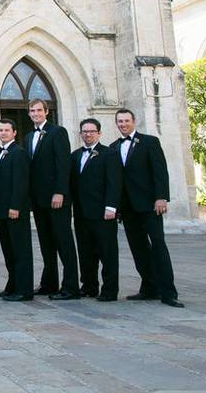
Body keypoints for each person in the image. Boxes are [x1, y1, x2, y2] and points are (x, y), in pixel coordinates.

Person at [111, 109, 183, 307]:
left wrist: (161, 198)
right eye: (120, 121)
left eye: (126, 120)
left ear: (134, 121)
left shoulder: (150, 142)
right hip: (128, 208)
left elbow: (160, 171)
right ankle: (149, 287)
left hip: (150, 205)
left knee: (158, 245)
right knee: (139, 248)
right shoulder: (114, 147)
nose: (123, 124)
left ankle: (168, 292)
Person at [25, 98, 79, 300]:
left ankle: (71, 286)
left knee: (63, 241)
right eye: (32, 110)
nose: (35, 113)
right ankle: (49, 283)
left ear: (46, 112)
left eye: (39, 110)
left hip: (56, 198)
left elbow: (63, 164)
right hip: (38, 199)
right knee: (46, 243)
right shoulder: (29, 137)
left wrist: (60, 192)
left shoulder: (58, 132)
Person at [70, 118, 121, 302]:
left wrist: (111, 207)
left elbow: (114, 183)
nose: (88, 134)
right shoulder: (75, 155)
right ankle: (89, 286)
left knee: (107, 252)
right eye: (84, 131)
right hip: (82, 213)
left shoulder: (110, 154)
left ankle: (109, 289)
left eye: (91, 131)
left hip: (103, 213)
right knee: (85, 251)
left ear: (99, 133)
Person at [0, 119, 33, 302]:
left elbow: (21, 183)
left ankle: (24, 290)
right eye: (0, 130)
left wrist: (15, 207)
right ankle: (12, 286)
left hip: (14, 211)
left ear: (14, 132)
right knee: (9, 251)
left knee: (20, 251)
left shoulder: (19, 153)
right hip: (2, 212)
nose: (3, 133)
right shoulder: (3, 152)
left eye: (7, 130)